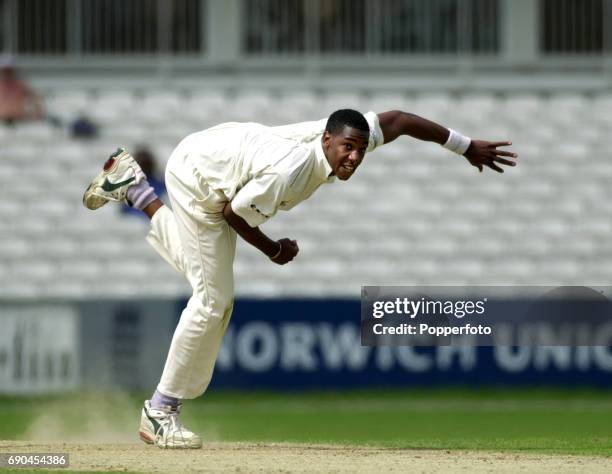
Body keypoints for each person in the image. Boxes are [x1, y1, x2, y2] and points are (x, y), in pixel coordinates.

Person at [82, 108, 517, 449]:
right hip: (201, 177)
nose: (354, 157)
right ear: (327, 140)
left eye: (360, 150)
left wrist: (464, 146)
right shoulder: (289, 173)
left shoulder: (349, 133)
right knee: (213, 300)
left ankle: (135, 189)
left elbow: (400, 120)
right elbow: (234, 214)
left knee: (209, 284)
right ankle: (160, 411)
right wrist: (275, 249)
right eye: (347, 147)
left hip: (218, 152)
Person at [0, 60, 43, 125]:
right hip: (2, 120)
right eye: (5, 71)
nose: (7, 73)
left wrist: (37, 112)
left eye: (9, 71)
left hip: (19, 120)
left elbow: (36, 97)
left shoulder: (20, 85)